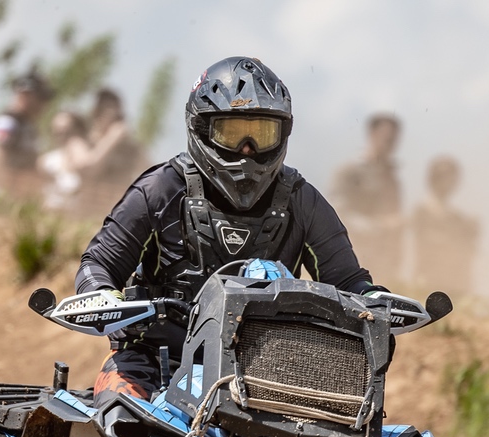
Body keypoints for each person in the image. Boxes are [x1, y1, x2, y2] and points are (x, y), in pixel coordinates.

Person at [75, 57, 377, 402]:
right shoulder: (159, 189)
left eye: (261, 134)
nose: (247, 149)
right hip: (151, 363)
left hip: (264, 374)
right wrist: (102, 294)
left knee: (355, 429)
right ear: (201, 127)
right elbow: (98, 263)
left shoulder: (302, 200)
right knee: (119, 410)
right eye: (232, 133)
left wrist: (373, 298)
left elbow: (349, 283)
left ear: (283, 133)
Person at [332, 113, 405, 280]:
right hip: (354, 258)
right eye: (387, 139)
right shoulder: (350, 172)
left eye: (394, 140)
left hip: (385, 262)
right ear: (373, 135)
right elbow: (337, 214)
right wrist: (378, 226)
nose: (391, 144)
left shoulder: (393, 179)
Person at [411, 155, 480, 296]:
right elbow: (426, 242)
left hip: (454, 282)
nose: (451, 183)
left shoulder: (456, 217)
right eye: (446, 177)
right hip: (429, 279)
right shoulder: (423, 210)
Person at [0, 70, 54, 197]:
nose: (44, 104)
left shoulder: (28, 126)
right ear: (25, 95)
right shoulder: (6, 122)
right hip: (4, 194)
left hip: (19, 195)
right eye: (41, 97)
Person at [72, 88, 145, 215]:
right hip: (84, 212)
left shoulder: (128, 149)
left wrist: (133, 146)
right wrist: (113, 137)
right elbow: (88, 168)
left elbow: (150, 172)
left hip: (116, 214)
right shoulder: (80, 140)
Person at [38, 110, 90, 213]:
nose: (62, 136)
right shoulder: (47, 160)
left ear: (79, 131)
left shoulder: (90, 159)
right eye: (57, 132)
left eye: (67, 131)